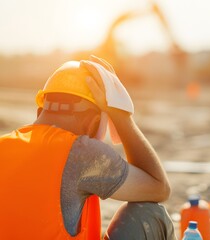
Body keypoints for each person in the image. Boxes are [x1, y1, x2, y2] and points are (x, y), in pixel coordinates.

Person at [0, 55, 177, 239]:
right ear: (93, 123)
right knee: (149, 214)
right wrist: (122, 117)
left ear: (40, 110)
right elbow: (159, 187)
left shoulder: (3, 145)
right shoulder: (80, 153)